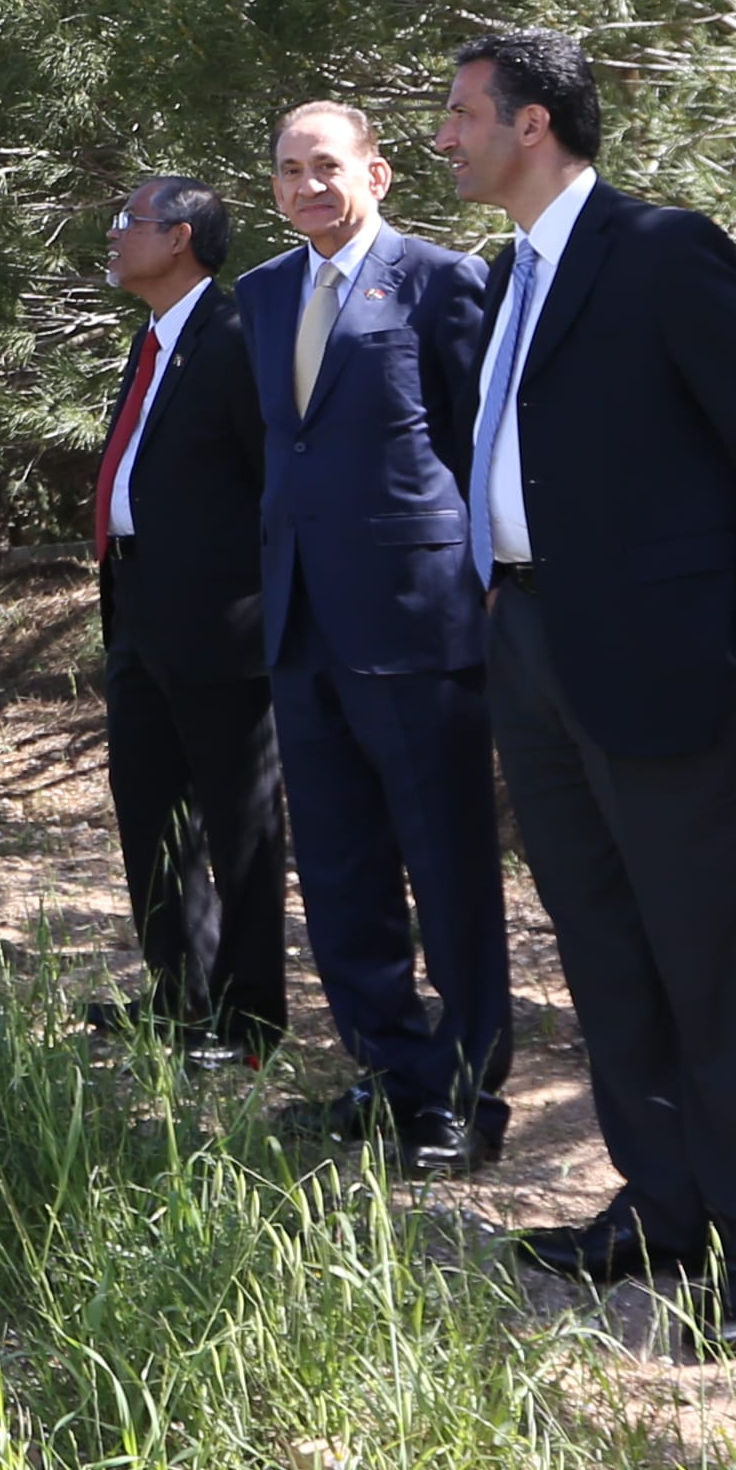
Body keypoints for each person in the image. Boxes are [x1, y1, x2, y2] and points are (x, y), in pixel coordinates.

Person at [435, 26, 736, 1353]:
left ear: (534, 123)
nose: (444, 137)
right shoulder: (511, 276)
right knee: (606, 950)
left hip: (664, 658)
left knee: (711, 959)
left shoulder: (662, 252)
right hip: (532, 647)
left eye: (461, 114)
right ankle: (664, 1207)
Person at [244, 100, 507, 1171]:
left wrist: (485, 583)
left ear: (379, 174)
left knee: (445, 868)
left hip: (415, 619)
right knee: (343, 871)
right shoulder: (261, 296)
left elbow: (480, 443)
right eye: (288, 171)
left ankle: (470, 1097)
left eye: (327, 166)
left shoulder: (443, 283)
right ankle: (392, 1078)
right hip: (302, 623)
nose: (308, 185)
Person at [87, 173, 284, 1058]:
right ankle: (180, 994)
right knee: (150, 808)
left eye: (127, 222)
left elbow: (275, 482)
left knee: (238, 824)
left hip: (222, 622)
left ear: (179, 238)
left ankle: (248, 1021)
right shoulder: (151, 341)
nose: (113, 235)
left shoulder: (237, 337)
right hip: (136, 608)